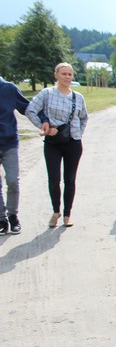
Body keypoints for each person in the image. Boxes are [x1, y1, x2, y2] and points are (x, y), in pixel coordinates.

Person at [26, 62, 89, 228]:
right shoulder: (47, 94)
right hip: (53, 142)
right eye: (63, 74)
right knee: (54, 179)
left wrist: (78, 133)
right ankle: (56, 211)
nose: (67, 77)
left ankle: (67, 214)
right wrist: (44, 127)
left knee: (70, 179)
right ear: (56, 75)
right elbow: (30, 110)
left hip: (73, 142)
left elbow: (84, 117)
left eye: (70, 74)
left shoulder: (78, 97)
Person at [0, 76, 31, 235]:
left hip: (9, 143)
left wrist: (46, 121)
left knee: (12, 181)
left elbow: (27, 108)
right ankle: (1, 219)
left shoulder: (9, 88)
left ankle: (13, 216)